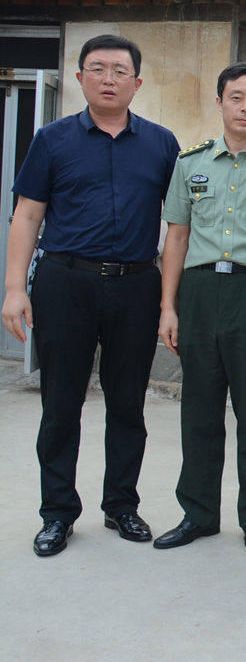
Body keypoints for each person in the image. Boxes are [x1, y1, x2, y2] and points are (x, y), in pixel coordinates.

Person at [2, 34, 180, 557]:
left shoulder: (162, 143)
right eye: (97, 69)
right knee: (61, 404)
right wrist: (15, 289)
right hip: (65, 281)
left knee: (128, 404)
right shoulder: (52, 140)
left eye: (119, 70)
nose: (108, 78)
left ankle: (121, 504)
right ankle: (57, 513)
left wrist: (170, 299)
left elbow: (179, 224)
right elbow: (27, 215)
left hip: (136, 284)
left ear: (137, 82)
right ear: (79, 77)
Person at [153, 63, 246, 554]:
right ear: (219, 102)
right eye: (236, 97)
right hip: (197, 291)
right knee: (198, 408)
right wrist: (167, 306)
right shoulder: (190, 163)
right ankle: (198, 514)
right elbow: (176, 236)